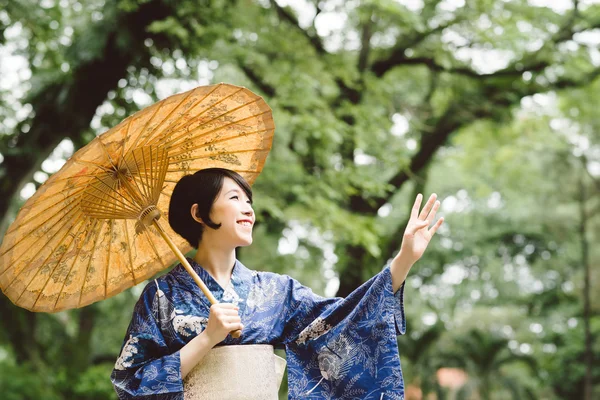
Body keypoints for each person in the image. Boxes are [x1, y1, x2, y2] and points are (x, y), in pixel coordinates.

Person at [110, 168, 443, 399]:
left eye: (249, 201)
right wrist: (207, 338)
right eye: (235, 199)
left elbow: (344, 320)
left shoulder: (275, 291)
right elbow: (129, 383)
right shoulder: (160, 296)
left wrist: (404, 260)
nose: (248, 209)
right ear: (199, 214)